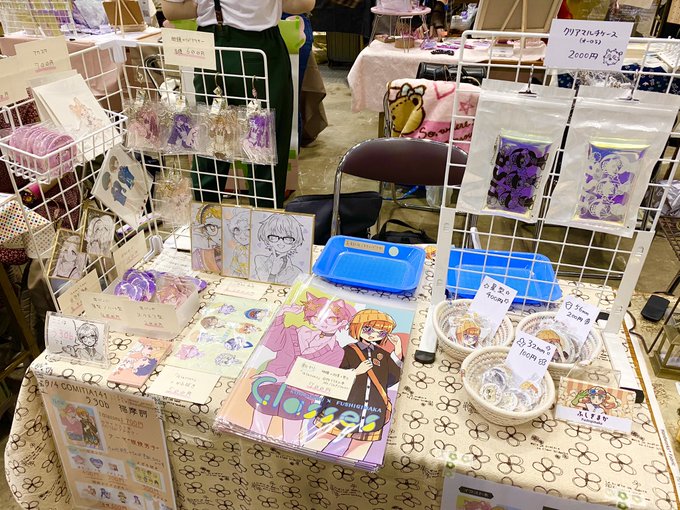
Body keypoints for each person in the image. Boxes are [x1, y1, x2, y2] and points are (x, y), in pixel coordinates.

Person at [162, 0, 316, 208]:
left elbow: (171, 10)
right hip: (260, 47)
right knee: (262, 146)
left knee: (211, 142)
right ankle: (263, 219)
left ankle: (205, 219)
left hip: (210, 48)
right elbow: (303, 3)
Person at [306, 309, 404, 461]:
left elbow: (391, 379)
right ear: (357, 327)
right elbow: (332, 376)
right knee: (321, 439)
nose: (373, 334)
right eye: (368, 329)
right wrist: (356, 372)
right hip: (341, 407)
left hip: (372, 412)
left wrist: (397, 349)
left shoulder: (383, 355)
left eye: (381, 332)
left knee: (359, 450)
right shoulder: (347, 351)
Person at [253, 213, 305, 284]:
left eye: (288, 238)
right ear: (267, 239)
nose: (280, 243)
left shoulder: (297, 272)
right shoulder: (260, 260)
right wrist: (273, 273)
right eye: (274, 237)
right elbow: (263, 284)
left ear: (295, 242)